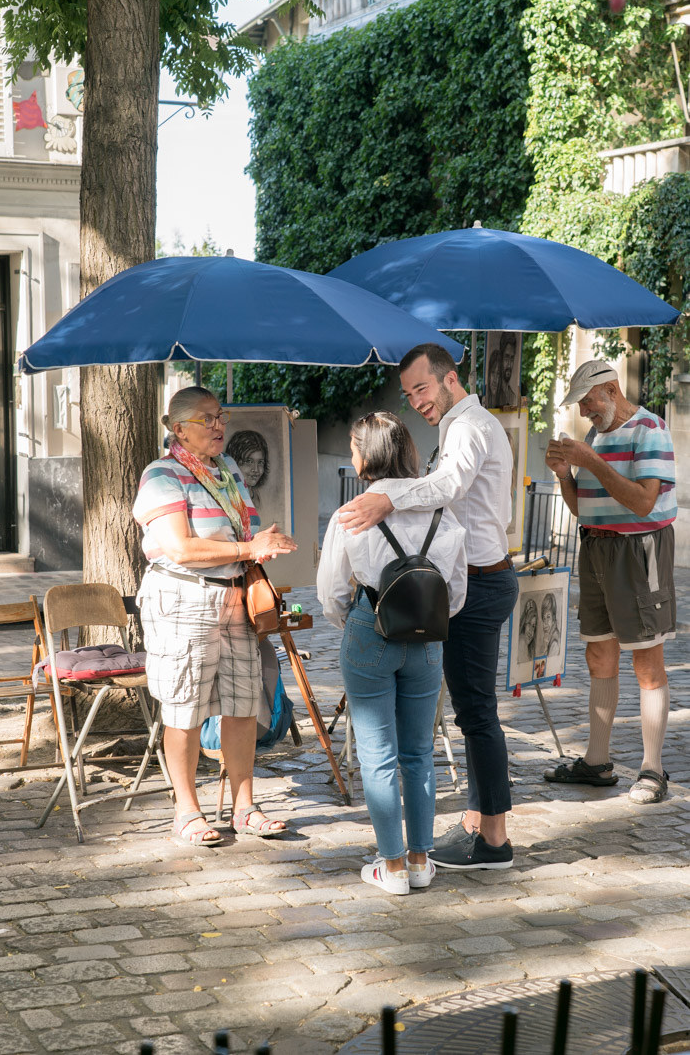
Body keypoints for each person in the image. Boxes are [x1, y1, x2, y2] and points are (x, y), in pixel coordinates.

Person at [340, 344, 519, 870]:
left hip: (478, 586)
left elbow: (450, 485)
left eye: (422, 388)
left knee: (477, 714)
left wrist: (388, 497)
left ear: (450, 378)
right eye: (410, 392)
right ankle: (476, 821)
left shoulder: (467, 426)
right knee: (471, 711)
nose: (416, 400)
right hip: (477, 581)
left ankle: (494, 842)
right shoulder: (460, 424)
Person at [133, 386, 297, 845]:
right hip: (185, 599)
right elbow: (181, 548)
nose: (219, 425)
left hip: (233, 600)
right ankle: (186, 812)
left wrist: (261, 540)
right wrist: (249, 547)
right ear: (179, 428)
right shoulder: (162, 475)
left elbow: (233, 532)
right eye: (208, 419)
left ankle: (244, 807)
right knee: (183, 708)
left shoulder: (226, 470)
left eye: (221, 416)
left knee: (243, 704)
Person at [318, 411, 467, 894]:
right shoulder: (441, 511)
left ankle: (393, 867)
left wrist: (359, 621)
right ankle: (422, 860)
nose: (352, 455)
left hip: (371, 628)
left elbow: (330, 592)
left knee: (378, 755)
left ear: (368, 455)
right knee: (419, 752)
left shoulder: (353, 513)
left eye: (354, 447)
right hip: (427, 639)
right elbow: (457, 591)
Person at [544, 360, 676, 804]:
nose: (583, 411)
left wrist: (590, 461)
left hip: (638, 551)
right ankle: (597, 762)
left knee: (646, 659)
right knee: (599, 650)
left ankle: (653, 769)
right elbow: (583, 507)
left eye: (587, 400)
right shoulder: (595, 437)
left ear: (612, 390)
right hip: (596, 546)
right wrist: (566, 475)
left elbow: (642, 503)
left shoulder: (650, 429)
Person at [226, 430, 269, 508]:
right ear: (234, 462)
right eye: (249, 461)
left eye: (260, 462)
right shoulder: (228, 498)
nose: (256, 469)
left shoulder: (256, 495)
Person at [499, 332, 518, 407]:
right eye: (506, 357)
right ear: (501, 358)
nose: (509, 364)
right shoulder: (494, 394)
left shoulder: (513, 396)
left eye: (512, 358)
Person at [518, 598, 538, 663]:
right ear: (524, 624)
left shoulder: (528, 648)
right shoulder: (522, 642)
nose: (531, 631)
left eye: (533, 626)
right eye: (529, 624)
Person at [541, 592, 561, 657]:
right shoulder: (549, 637)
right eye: (544, 618)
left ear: (553, 618)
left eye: (548, 617)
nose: (545, 622)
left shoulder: (554, 643)